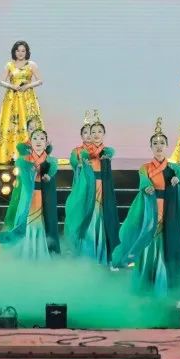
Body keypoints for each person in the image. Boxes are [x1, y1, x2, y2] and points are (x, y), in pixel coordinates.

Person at [112, 118, 180, 297]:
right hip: (151, 211)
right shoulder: (145, 167)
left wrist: (178, 179)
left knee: (168, 244)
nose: (159, 146)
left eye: (162, 143)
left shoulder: (174, 167)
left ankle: (166, 282)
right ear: (151, 147)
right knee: (149, 244)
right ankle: (146, 282)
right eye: (155, 143)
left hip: (169, 212)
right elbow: (144, 180)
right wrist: (146, 187)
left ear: (167, 145)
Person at [0, 122, 61, 259]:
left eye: (42, 138)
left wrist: (48, 175)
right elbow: (23, 172)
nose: (38, 141)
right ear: (30, 143)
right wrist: (31, 171)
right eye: (35, 138)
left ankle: (42, 252)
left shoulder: (51, 161)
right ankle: (25, 253)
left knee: (43, 222)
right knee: (26, 221)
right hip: (28, 197)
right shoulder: (23, 161)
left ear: (46, 143)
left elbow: (53, 169)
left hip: (43, 197)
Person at [64, 111, 120, 266]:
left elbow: (111, 152)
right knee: (88, 217)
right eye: (90, 132)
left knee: (100, 218)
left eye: (98, 132)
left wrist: (106, 155)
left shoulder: (105, 151)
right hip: (87, 187)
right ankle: (86, 256)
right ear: (82, 135)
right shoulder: (80, 151)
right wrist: (80, 163)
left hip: (102, 188)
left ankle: (101, 255)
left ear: (103, 134)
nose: (92, 135)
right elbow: (74, 162)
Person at [0, 40, 43, 164]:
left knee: (29, 122)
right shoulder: (9, 65)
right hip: (12, 97)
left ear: (27, 52)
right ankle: (9, 154)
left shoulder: (31, 64)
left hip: (27, 98)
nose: (20, 53)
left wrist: (27, 86)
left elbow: (40, 80)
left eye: (23, 51)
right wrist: (12, 86)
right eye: (18, 50)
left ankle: (32, 155)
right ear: (14, 52)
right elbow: (1, 81)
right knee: (11, 123)